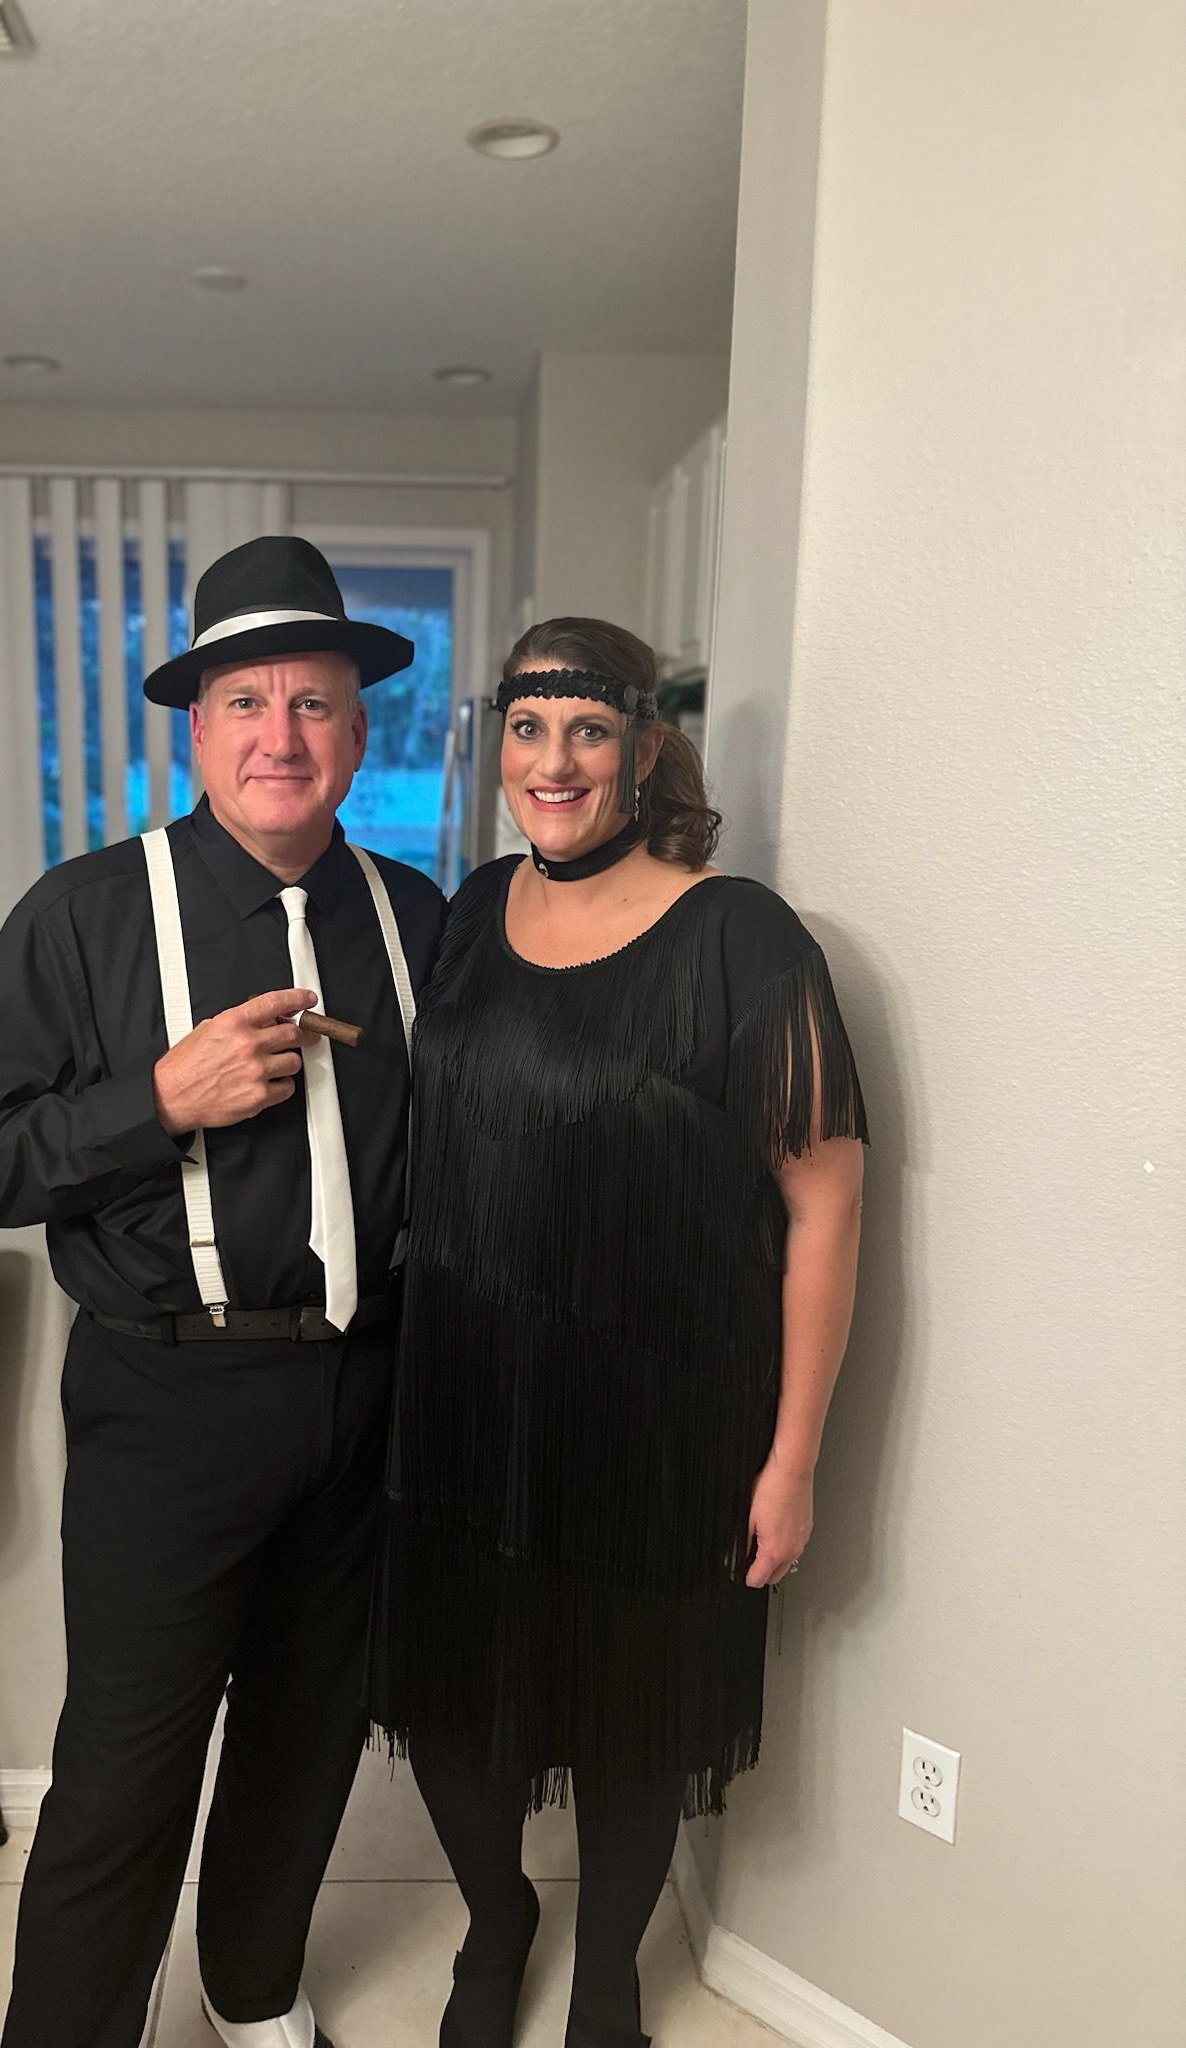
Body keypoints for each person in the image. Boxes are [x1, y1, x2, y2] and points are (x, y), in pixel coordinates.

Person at [0, 536, 446, 2048]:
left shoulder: (415, 917)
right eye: (248, 703)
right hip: (168, 1399)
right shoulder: (84, 915)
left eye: (317, 703)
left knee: (308, 1728)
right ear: (196, 729)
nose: (283, 737)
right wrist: (153, 1098)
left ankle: (251, 1985)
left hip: (366, 1383)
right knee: (128, 1772)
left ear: (362, 727)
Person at [368, 617, 868, 2048]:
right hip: (468, 1394)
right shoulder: (467, 910)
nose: (555, 761)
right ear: (500, 751)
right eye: (528, 730)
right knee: (460, 1701)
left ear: (644, 749)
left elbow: (826, 1205)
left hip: (666, 1415)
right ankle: (498, 1922)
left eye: (588, 730)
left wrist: (794, 1460)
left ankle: (603, 1983)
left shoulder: (743, 936)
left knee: (636, 1718)